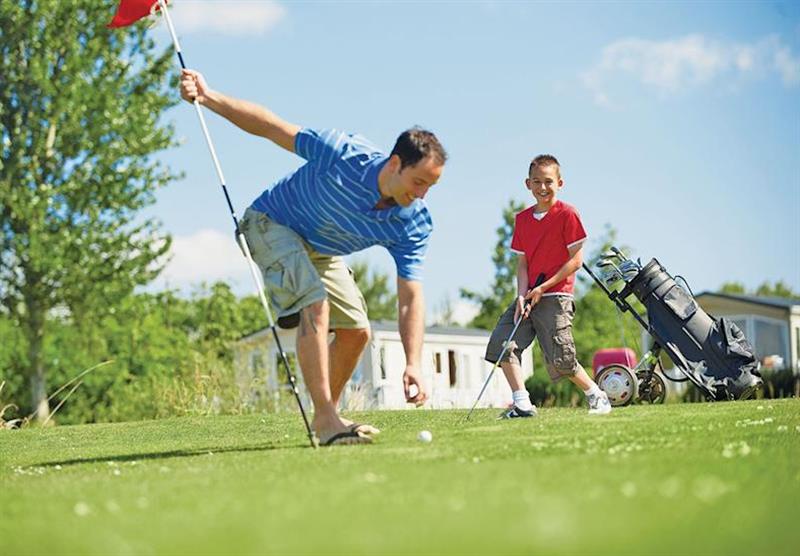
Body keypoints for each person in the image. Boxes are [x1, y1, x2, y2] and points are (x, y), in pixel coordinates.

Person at [179, 69, 447, 445]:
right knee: (315, 304)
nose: (422, 194)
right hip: (270, 223)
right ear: (394, 164)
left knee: (356, 333)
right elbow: (272, 127)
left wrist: (414, 362)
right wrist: (209, 98)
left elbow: (409, 299)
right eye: (419, 181)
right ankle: (325, 420)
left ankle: (328, 417)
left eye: (431, 186)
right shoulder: (342, 152)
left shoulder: (412, 222)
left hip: (323, 249)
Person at [484, 154, 611, 418]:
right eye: (537, 182)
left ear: (560, 183)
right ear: (527, 183)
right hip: (529, 296)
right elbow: (522, 264)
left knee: (560, 358)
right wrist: (521, 296)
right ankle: (522, 404)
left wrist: (544, 287)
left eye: (549, 182)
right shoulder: (521, 220)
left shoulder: (568, 214)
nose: (543, 187)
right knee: (503, 344)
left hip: (555, 295)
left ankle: (596, 395)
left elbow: (576, 261)